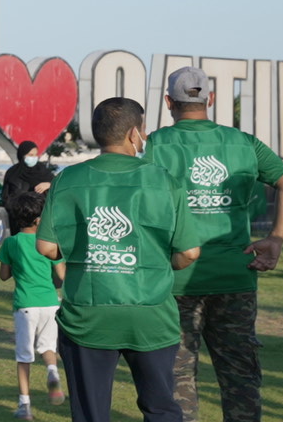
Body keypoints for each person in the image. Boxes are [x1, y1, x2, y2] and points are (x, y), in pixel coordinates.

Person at [145, 66, 283, 422]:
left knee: (177, 374)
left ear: (168, 102)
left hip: (177, 277)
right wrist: (276, 238)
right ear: (211, 99)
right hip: (235, 274)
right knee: (240, 374)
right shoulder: (243, 143)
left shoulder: (154, 145)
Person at [37, 97, 201, 422]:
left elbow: (46, 246)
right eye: (144, 130)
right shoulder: (164, 180)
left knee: (91, 413)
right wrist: (157, 263)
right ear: (133, 134)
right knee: (161, 408)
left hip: (88, 315)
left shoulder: (68, 179)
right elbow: (189, 252)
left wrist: (86, 252)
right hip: (151, 314)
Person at [0, 191, 65, 421]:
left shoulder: (12, 242)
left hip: (25, 305)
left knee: (24, 356)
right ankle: (52, 372)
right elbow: (62, 274)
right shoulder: (48, 243)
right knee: (48, 347)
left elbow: (3, 275)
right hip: (50, 303)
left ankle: (24, 405)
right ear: (38, 220)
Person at [2, 141, 54, 235]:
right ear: (22, 155)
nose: (33, 158)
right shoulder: (12, 173)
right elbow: (6, 196)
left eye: (35, 155)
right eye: (30, 155)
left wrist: (49, 184)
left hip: (40, 220)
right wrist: (18, 212)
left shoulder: (43, 172)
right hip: (18, 221)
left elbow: (58, 187)